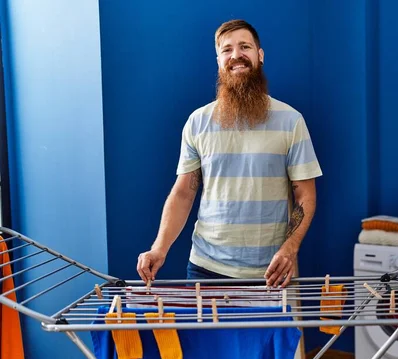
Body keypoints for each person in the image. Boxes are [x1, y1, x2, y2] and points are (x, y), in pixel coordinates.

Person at [136, 19, 322, 288]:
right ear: (219, 60)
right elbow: (184, 192)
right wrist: (159, 248)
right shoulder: (197, 122)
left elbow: (305, 194)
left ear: (260, 55)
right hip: (205, 268)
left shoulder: (291, 121)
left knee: (276, 333)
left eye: (245, 46)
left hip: (270, 272)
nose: (236, 55)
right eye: (227, 49)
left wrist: (290, 248)